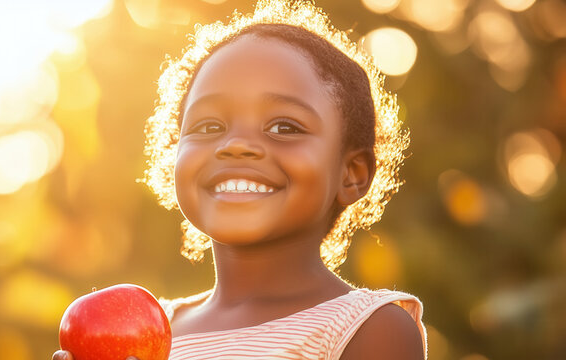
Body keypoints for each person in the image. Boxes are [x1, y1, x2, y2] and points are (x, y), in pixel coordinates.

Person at [54, 0, 426, 359]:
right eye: (210, 126)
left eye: (283, 127)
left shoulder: (371, 328)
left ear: (352, 174)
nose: (235, 145)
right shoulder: (150, 329)